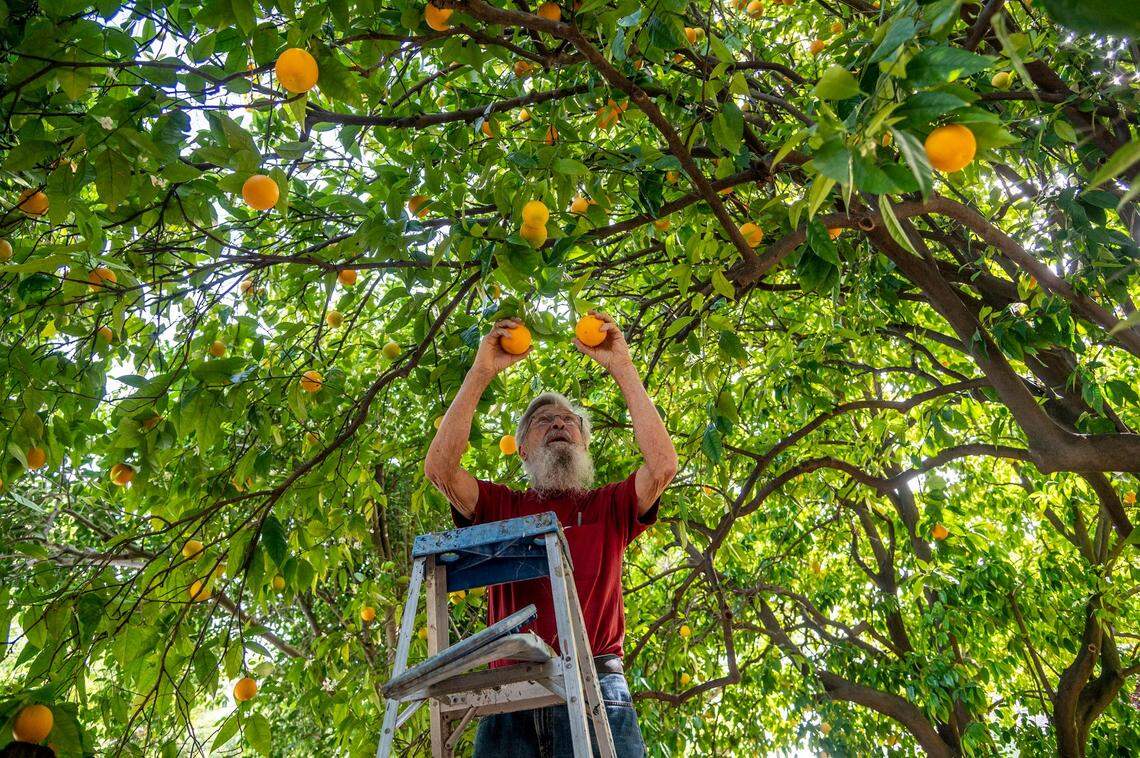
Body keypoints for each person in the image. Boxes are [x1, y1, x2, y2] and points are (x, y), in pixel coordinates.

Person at [423, 310, 678, 758]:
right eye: (543, 420)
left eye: (569, 420)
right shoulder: (501, 506)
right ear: (522, 447)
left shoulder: (608, 505)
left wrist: (622, 366)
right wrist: (482, 372)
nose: (559, 424)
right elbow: (440, 470)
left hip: (596, 682)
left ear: (582, 442)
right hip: (508, 692)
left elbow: (662, 467)